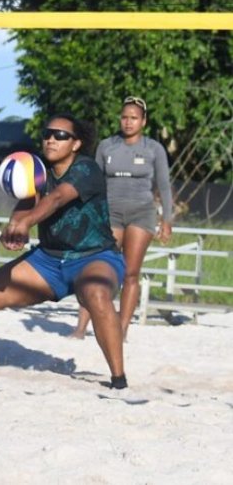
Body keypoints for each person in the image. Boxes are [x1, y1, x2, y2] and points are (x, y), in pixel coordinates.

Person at [0, 114, 128, 389]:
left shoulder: (86, 168)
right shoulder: (37, 171)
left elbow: (57, 198)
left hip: (95, 257)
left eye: (60, 135)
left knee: (96, 294)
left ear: (76, 144)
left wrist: (27, 222)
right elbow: (26, 204)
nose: (51, 139)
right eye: (47, 134)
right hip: (48, 260)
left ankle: (118, 381)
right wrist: (13, 228)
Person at [70, 96, 174, 340]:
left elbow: (164, 186)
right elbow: (93, 180)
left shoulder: (154, 149)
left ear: (143, 121)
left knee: (130, 272)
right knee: (96, 268)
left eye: (134, 118)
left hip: (142, 213)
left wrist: (167, 220)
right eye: (125, 117)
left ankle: (122, 329)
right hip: (110, 213)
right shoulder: (107, 146)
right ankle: (81, 327)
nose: (128, 122)